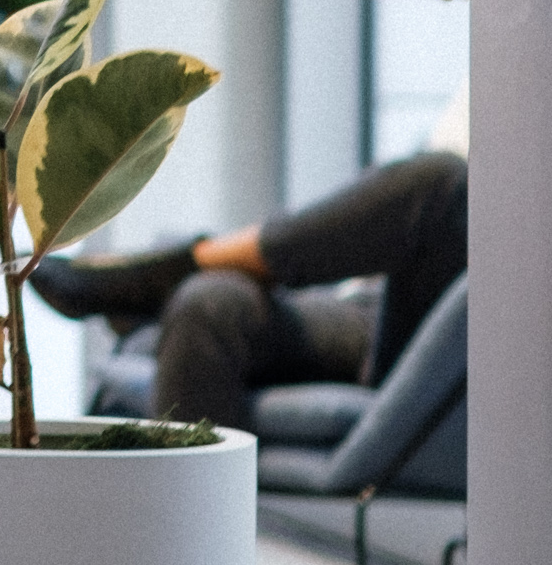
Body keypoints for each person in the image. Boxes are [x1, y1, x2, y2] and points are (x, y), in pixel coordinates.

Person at [34, 139, 472, 433]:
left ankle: (168, 271)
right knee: (210, 301)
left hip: (449, 336)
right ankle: (176, 553)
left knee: (445, 180)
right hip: (367, 306)